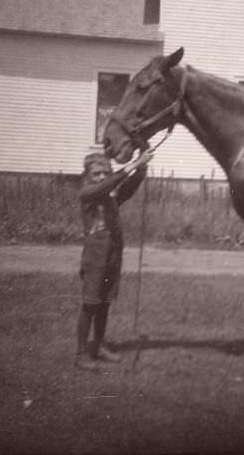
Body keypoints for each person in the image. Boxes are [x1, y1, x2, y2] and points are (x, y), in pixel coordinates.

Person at [74, 149, 152, 370]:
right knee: (90, 303)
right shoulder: (88, 192)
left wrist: (142, 168)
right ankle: (81, 355)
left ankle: (98, 346)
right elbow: (110, 184)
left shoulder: (111, 195)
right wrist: (134, 163)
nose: (100, 177)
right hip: (94, 257)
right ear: (87, 175)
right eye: (96, 173)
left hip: (113, 255)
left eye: (104, 173)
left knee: (105, 302)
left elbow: (127, 187)